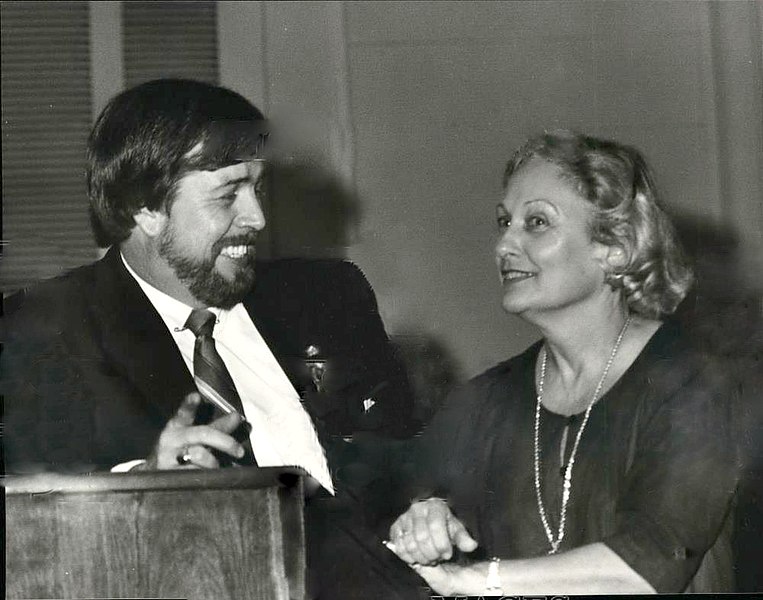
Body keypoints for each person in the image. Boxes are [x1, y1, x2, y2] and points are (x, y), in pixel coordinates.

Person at [1, 78, 418, 599]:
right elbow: (30, 542)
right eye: (228, 194)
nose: (258, 218)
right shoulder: (38, 336)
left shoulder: (330, 297)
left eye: (258, 188)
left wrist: (427, 506)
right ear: (145, 208)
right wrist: (140, 486)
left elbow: (410, 459)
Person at [385, 130, 740, 594]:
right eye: (503, 222)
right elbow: (402, 507)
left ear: (616, 247)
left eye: (536, 223)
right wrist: (425, 522)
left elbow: (649, 562)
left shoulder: (694, 384)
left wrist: (474, 578)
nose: (503, 245)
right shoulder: (484, 402)